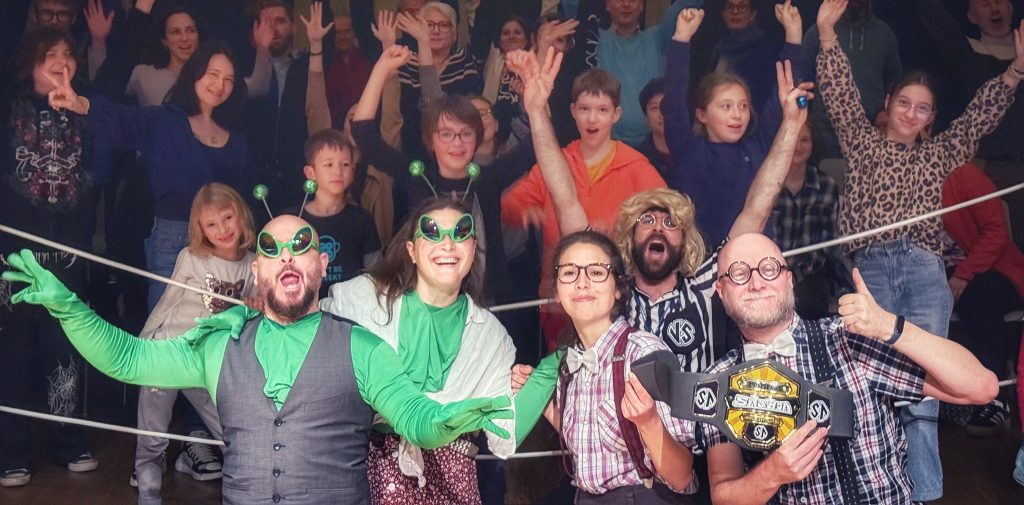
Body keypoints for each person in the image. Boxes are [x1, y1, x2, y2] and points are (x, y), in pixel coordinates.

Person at [1, 214, 513, 505]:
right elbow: (129, 359)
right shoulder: (220, 344)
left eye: (301, 245)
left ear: (322, 264)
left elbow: (416, 420)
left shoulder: (363, 347)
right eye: (273, 248)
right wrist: (67, 307)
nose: (287, 254)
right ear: (258, 269)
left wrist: (453, 418)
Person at [815, 0, 1023, 500]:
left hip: (924, 270)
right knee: (876, 382)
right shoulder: (861, 142)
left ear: (931, 118)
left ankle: (924, 493)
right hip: (871, 269)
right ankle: (876, 486)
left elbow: (977, 119)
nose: (911, 112)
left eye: (923, 107)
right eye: (904, 102)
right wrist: (825, 34)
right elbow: (840, 92)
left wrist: (1016, 71)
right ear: (889, 103)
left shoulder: (939, 154)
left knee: (926, 386)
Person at [696, 232, 998, 504]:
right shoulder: (720, 380)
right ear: (721, 291)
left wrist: (890, 327)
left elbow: (981, 387)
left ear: (789, 279)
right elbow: (724, 495)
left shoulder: (848, 339)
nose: (756, 282)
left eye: (769, 268)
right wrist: (770, 474)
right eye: (739, 273)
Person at [321, 198, 548, 504]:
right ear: (412, 250)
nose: (447, 244)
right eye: (432, 232)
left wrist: (535, 387)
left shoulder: (491, 336)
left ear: (473, 249)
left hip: (452, 479)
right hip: (370, 470)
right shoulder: (362, 299)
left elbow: (502, 437)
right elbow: (313, 337)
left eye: (460, 233)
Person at [352, 41, 535, 306]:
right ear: (430, 140)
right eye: (446, 134)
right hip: (425, 297)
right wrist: (382, 68)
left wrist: (532, 90)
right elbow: (363, 135)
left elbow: (536, 145)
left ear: (477, 138)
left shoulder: (489, 178)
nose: (456, 143)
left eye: (465, 134)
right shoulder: (417, 177)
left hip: (486, 301)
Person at [522, 230, 700, 503]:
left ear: (617, 289)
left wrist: (649, 421)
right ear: (557, 291)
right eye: (569, 273)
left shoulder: (643, 353)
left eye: (596, 272)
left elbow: (682, 476)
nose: (582, 283)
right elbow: (588, 448)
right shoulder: (568, 365)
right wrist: (542, 401)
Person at [501, 61, 667, 349]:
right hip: (558, 298)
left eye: (602, 110)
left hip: (616, 296)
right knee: (561, 365)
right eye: (585, 109)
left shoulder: (637, 166)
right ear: (572, 111)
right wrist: (526, 210)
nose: (592, 118)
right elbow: (510, 204)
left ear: (616, 114)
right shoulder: (556, 160)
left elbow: (669, 218)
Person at [0, 26, 98, 489]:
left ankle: (69, 443)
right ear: (30, 64)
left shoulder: (86, 112)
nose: (62, 62)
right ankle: (11, 453)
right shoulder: (8, 107)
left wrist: (80, 106)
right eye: (49, 55)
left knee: (66, 349)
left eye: (68, 54)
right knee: (13, 352)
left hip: (68, 255)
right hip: (12, 255)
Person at [131, 183, 256, 504]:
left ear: (241, 215)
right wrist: (144, 346)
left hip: (207, 364)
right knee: (152, 433)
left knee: (232, 430)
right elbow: (167, 302)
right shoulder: (190, 257)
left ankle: (249, 489)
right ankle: (148, 490)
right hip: (168, 354)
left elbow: (252, 318)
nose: (222, 229)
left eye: (228, 218)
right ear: (200, 229)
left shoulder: (253, 264)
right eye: (211, 224)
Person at [664, 3, 803, 246]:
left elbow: (783, 96)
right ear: (702, 114)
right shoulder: (689, 149)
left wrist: (793, 35)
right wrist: (681, 39)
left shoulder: (758, 147)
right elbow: (673, 101)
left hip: (750, 261)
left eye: (743, 106)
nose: (737, 115)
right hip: (700, 260)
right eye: (726, 107)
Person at [941, 163, 1024, 435]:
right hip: (935, 271)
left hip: (990, 269)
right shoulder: (897, 177)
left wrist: (964, 274)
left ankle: (995, 396)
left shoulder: (963, 176)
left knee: (976, 300)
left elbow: (996, 232)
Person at [582, 0, 694, 146]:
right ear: (607, 5)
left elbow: (685, 4)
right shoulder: (595, 40)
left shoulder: (658, 37)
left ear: (642, 6)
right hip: (607, 144)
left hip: (654, 145)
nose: (626, 4)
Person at [800, 0, 902, 158]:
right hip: (824, 138)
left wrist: (886, 113)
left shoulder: (884, 34)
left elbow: (895, 83)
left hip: (872, 138)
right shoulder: (817, 32)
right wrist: (803, 123)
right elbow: (802, 84)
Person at [287, 130, 380, 296]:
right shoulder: (293, 220)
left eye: (345, 165)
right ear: (310, 173)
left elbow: (376, 273)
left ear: (353, 171)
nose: (338, 172)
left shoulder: (362, 219)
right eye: (329, 165)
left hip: (351, 305)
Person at [771, 120, 848, 320]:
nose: (798, 146)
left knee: (808, 299)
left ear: (813, 143)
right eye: (793, 140)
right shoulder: (767, 185)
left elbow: (826, 245)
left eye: (804, 140)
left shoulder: (826, 185)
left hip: (811, 272)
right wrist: (775, 274)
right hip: (769, 270)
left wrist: (794, 277)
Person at [397, 2, 483, 157]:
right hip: (409, 151)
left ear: (454, 34)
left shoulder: (465, 64)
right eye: (429, 25)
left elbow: (450, 115)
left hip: (455, 149)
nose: (436, 31)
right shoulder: (405, 63)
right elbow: (400, 113)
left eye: (444, 25)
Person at [708, 0, 785, 110]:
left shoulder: (764, 51)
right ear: (723, 13)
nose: (735, 11)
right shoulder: (718, 48)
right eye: (730, 6)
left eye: (743, 7)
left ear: (753, 14)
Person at [324, 14, 371, 127]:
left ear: (353, 33)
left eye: (346, 32)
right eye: (338, 32)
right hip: (333, 128)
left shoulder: (365, 61)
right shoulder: (326, 64)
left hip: (362, 125)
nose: (342, 37)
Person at [635, 77, 671, 176]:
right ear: (646, 115)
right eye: (655, 108)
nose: (662, 114)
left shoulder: (699, 153)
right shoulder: (636, 158)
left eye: (669, 106)